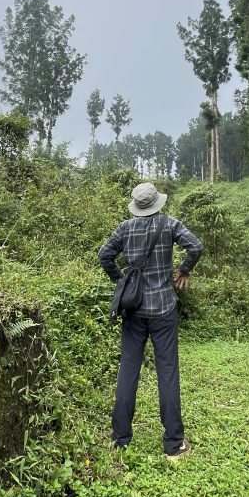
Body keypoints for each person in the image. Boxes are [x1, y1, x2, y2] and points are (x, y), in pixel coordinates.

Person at [98, 182, 203, 460]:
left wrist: (121, 280)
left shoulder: (125, 228)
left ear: (136, 205)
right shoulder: (170, 224)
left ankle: (120, 439)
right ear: (157, 202)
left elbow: (104, 255)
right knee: (167, 371)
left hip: (133, 311)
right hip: (163, 311)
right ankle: (174, 444)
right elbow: (195, 245)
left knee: (128, 370)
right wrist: (183, 270)